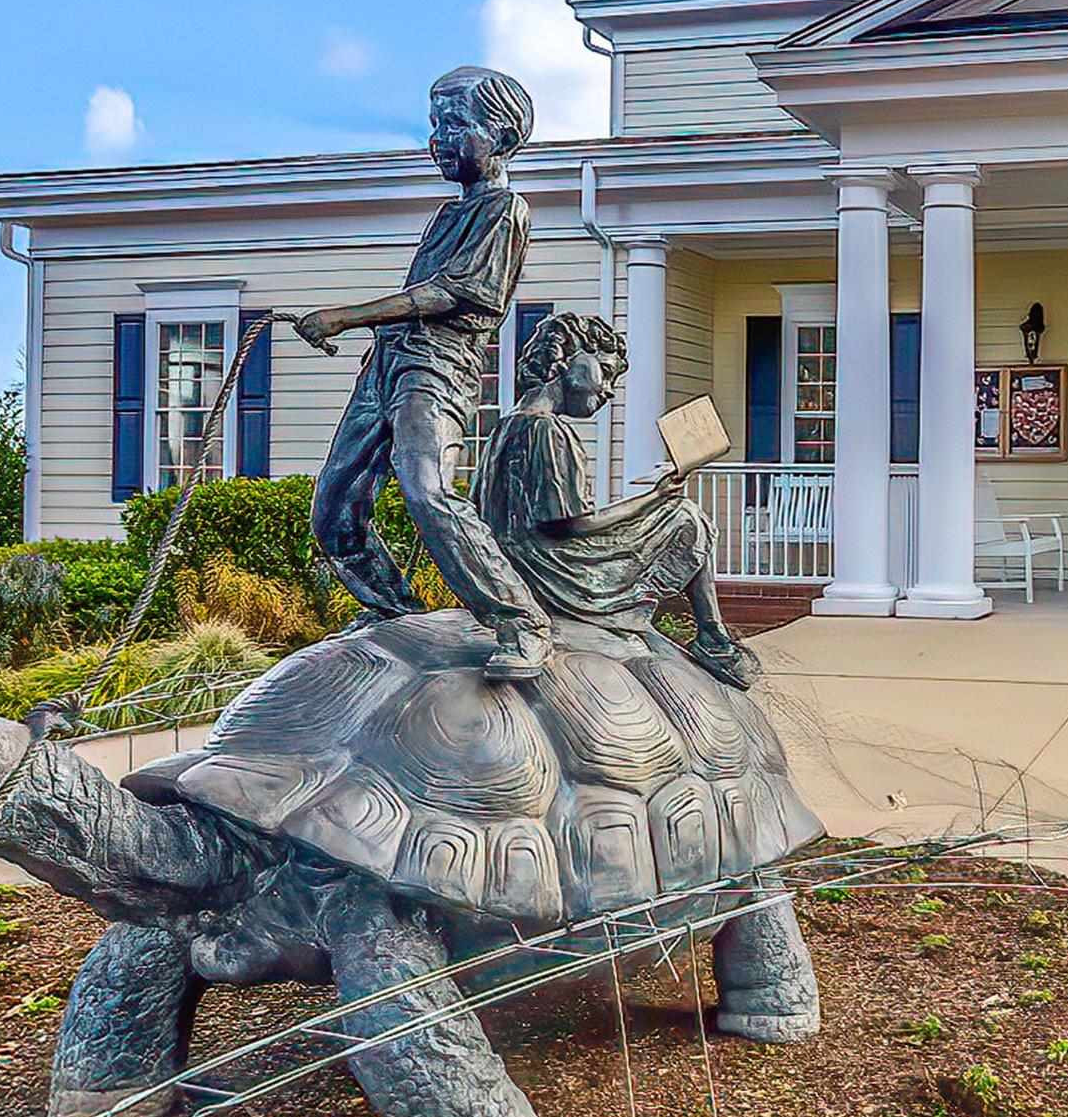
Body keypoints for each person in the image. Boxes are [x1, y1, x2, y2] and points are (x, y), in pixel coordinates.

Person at [297, 68, 553, 681]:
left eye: (455, 124)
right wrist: (370, 336)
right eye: (434, 124)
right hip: (387, 363)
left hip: (435, 368)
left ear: (503, 135)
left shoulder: (506, 210)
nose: (438, 138)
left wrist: (346, 316)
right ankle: (393, 610)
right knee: (333, 506)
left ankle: (521, 620)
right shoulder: (446, 214)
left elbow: (451, 292)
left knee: (427, 490)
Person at [477, 312, 762, 691]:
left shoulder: (507, 425)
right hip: (555, 569)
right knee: (686, 516)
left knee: (675, 512)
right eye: (606, 372)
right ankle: (713, 637)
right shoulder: (546, 430)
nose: (609, 390)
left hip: (521, 560)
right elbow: (574, 524)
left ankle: (712, 637)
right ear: (565, 361)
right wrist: (653, 498)